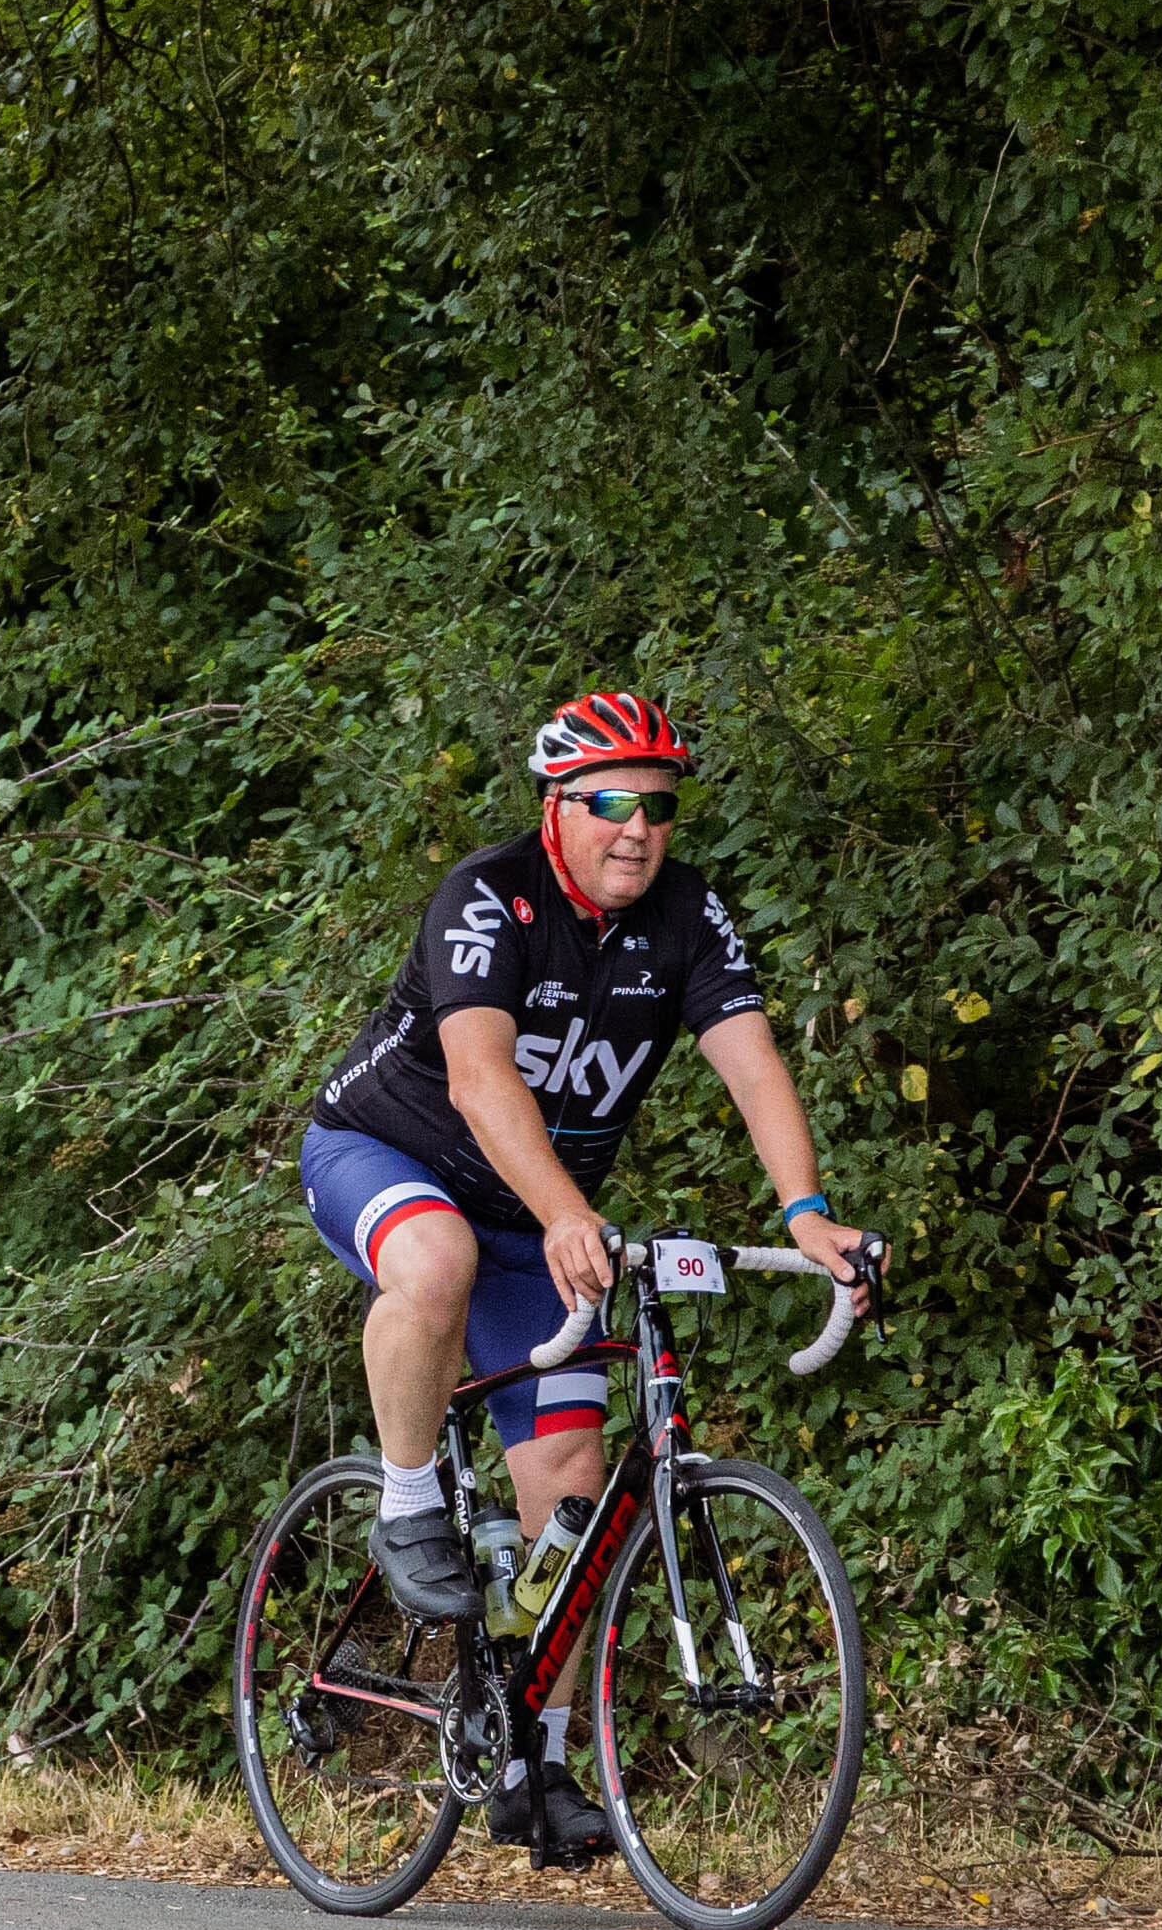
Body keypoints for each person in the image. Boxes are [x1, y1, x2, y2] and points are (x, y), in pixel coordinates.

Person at [298, 692, 878, 1860]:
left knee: (569, 1483)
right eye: (609, 803)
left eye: (658, 807)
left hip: (532, 1215)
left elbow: (752, 1065)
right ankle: (408, 1504)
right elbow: (478, 1078)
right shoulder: (488, 895)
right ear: (554, 809)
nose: (637, 828)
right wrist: (570, 1209)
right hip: (393, 1152)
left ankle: (532, 1763)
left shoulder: (686, 914)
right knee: (437, 1255)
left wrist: (806, 1213)